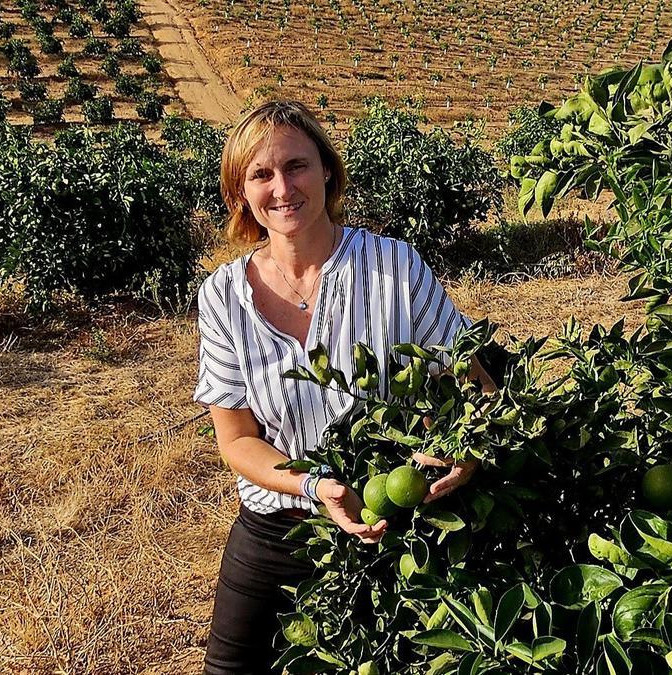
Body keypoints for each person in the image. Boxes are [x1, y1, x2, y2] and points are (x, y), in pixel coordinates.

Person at [194, 100, 496, 675]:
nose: (282, 187)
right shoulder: (223, 295)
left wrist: (467, 451)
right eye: (261, 174)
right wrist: (315, 487)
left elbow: (471, 380)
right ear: (241, 194)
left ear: (327, 170)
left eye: (296, 166)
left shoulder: (394, 267)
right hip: (279, 527)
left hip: (398, 522)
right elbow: (235, 441)